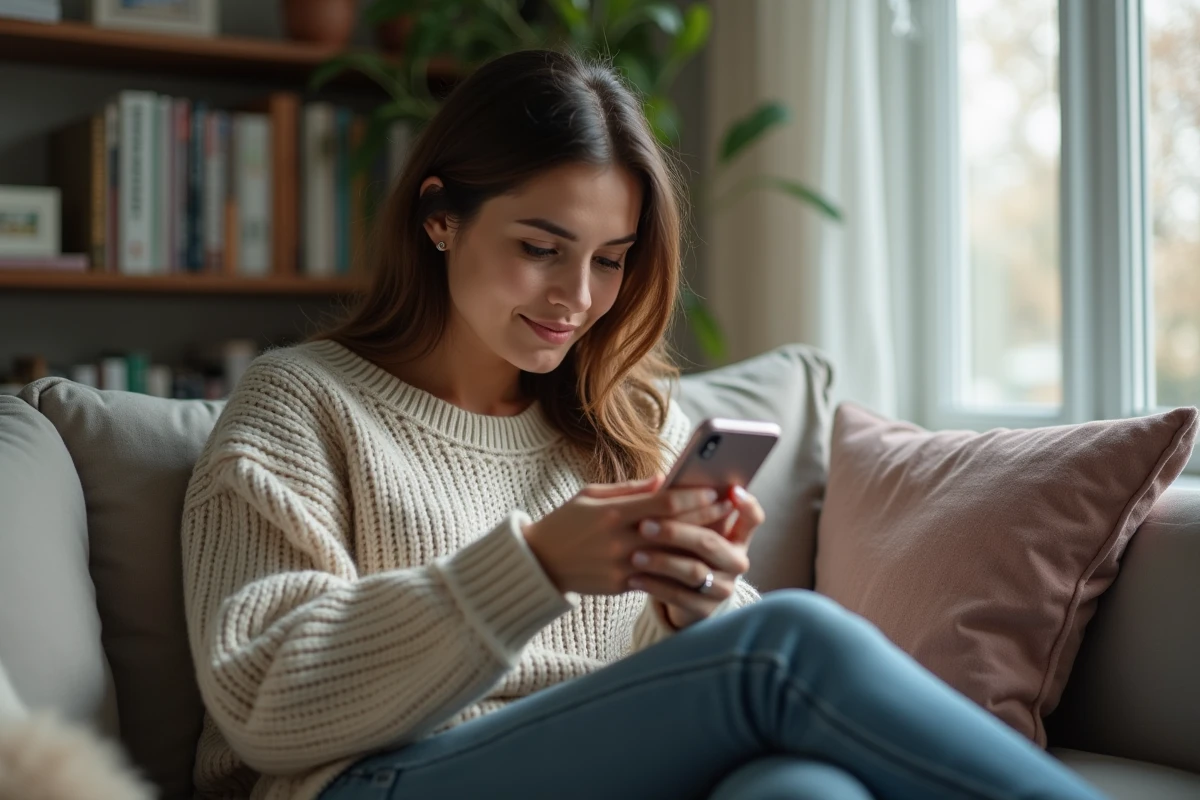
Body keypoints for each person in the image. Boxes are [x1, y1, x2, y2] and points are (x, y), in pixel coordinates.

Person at [180, 49, 1107, 800]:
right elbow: (262, 701)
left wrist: (695, 598)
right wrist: (535, 566)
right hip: (378, 778)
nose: (576, 298)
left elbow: (679, 680)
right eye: (540, 249)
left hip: (608, 770)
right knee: (790, 646)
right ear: (440, 219)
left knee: (803, 790)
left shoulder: (626, 417)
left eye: (610, 260)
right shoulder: (301, 402)